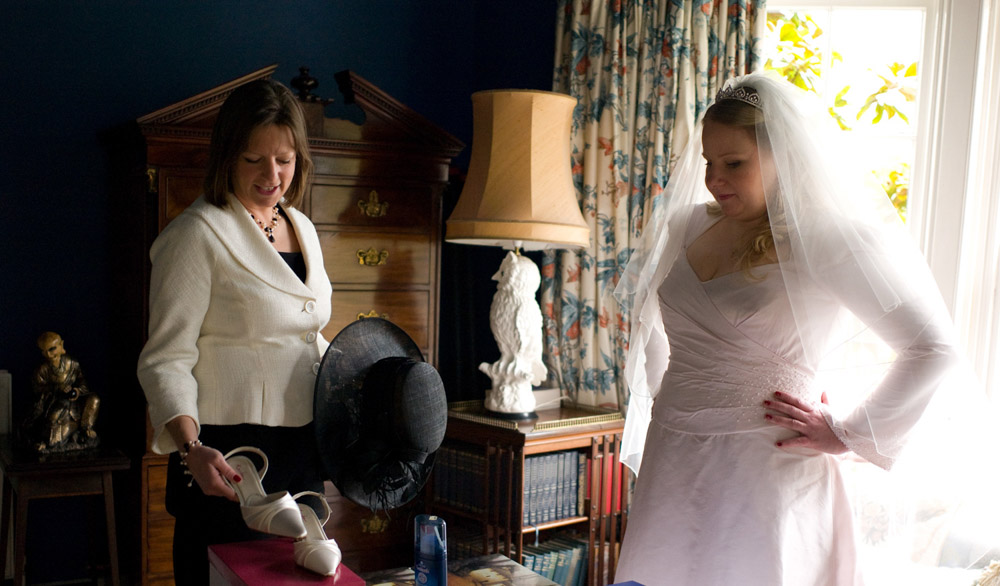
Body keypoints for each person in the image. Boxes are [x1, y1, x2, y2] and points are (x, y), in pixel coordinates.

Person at [611, 71, 988, 585]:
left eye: (734, 164)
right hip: (674, 453)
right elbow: (656, 329)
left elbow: (933, 347)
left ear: (782, 157)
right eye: (708, 163)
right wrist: (665, 400)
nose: (714, 180)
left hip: (767, 468)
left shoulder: (830, 240)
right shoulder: (688, 226)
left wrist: (849, 432)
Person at [137, 78, 332, 584]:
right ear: (227, 157)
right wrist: (190, 448)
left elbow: (306, 334)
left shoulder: (304, 229)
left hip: (301, 455)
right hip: (227, 461)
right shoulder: (195, 235)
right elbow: (166, 359)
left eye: (285, 159)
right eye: (254, 160)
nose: (273, 175)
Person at [26, 331, 100, 452]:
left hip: (75, 401)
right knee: (54, 420)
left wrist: (76, 391)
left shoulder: (73, 364)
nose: (50, 354)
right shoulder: (42, 370)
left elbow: (83, 383)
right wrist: (55, 388)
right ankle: (51, 441)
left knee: (95, 399)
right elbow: (37, 389)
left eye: (53, 349)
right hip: (56, 403)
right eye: (45, 351)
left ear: (61, 345)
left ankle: (86, 429)